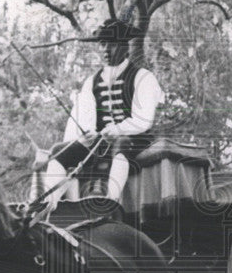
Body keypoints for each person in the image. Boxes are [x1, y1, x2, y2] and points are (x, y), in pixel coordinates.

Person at [35, 18, 164, 204]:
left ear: (124, 46)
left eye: (111, 44)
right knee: (58, 150)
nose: (105, 49)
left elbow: (144, 119)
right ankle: (49, 203)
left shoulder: (143, 77)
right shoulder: (91, 82)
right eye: (102, 44)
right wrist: (87, 134)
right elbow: (85, 116)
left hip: (136, 140)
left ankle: (110, 201)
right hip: (101, 143)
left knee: (122, 142)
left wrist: (118, 129)